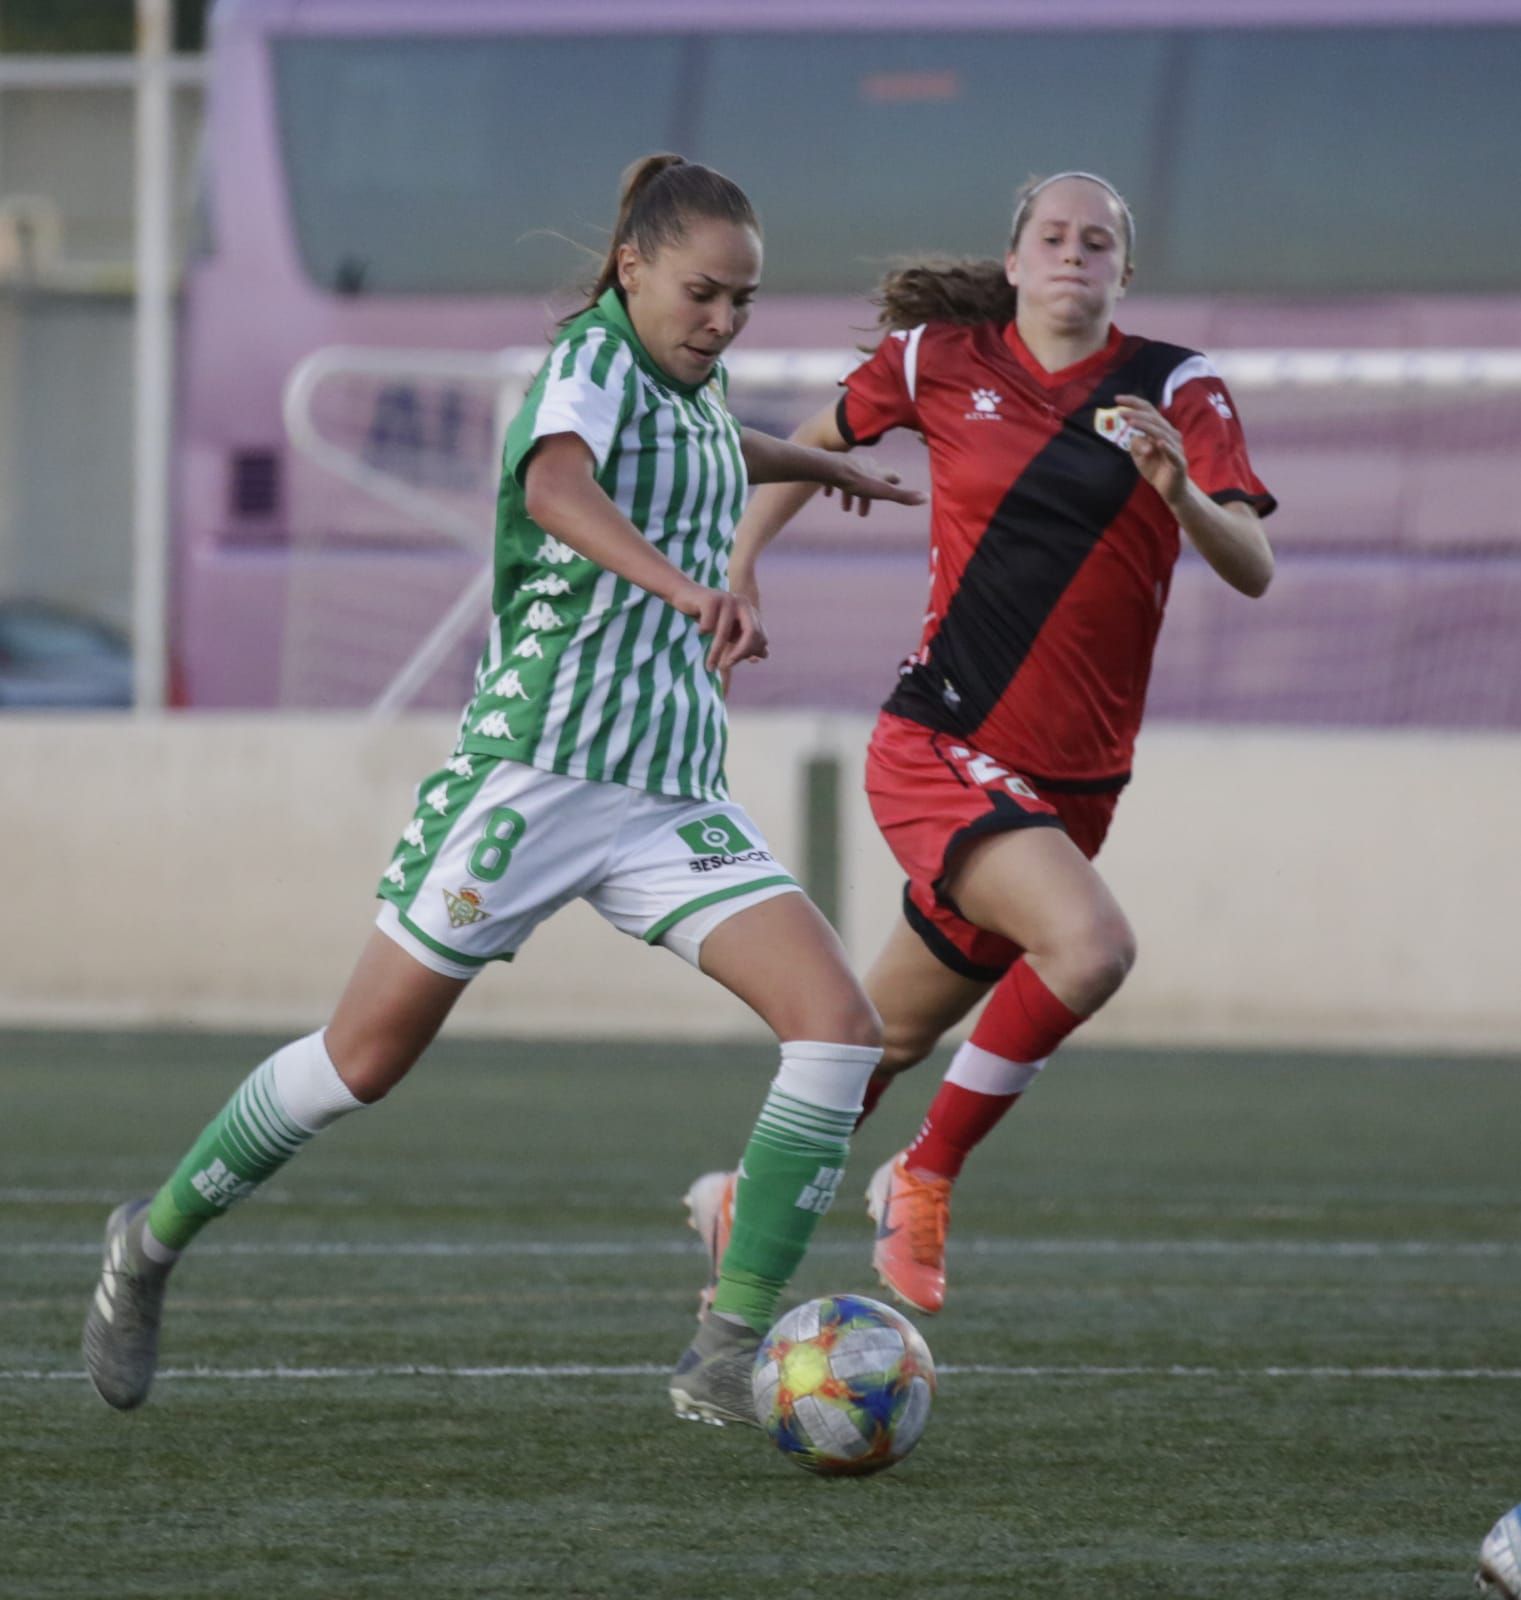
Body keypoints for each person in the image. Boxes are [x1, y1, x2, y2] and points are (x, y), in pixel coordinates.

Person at [81, 153, 924, 1428]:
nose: (723, 320)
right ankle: (149, 1240)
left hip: (667, 789)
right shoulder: (589, 360)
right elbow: (555, 485)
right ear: (632, 268)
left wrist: (820, 468)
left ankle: (724, 1345)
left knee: (838, 1026)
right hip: (534, 776)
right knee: (361, 1060)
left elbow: (699, 447)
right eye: (703, 293)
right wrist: (687, 588)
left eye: (743, 301)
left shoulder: (692, 379)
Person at [685, 170, 1276, 1315]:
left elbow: (1251, 565)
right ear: (1013, 262)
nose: (1073, 253)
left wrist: (1179, 491)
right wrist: (741, 563)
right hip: (941, 740)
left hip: (1074, 788)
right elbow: (808, 439)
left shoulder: (1176, 387)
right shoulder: (939, 360)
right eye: (1051, 236)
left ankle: (740, 1205)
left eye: (1097, 241)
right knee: (1091, 948)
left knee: (874, 1039)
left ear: (1126, 271)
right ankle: (924, 1172)